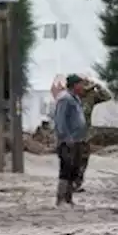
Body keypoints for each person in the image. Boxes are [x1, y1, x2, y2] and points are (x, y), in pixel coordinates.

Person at [52, 74, 87, 207]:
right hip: (67, 141)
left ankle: (68, 198)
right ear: (74, 85)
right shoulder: (65, 99)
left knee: (74, 169)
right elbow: (60, 121)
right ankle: (61, 199)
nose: (83, 87)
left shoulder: (75, 98)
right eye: (81, 84)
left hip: (77, 140)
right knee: (66, 168)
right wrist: (66, 137)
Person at [73, 77, 113, 193]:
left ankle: (78, 183)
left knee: (84, 158)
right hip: (72, 133)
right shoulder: (70, 97)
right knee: (73, 158)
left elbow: (107, 97)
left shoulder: (91, 96)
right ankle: (70, 182)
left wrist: (98, 86)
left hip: (86, 133)